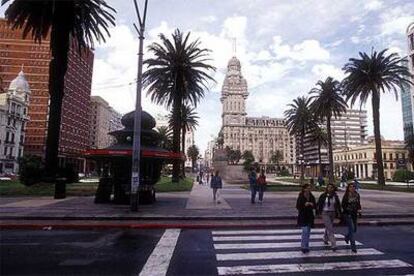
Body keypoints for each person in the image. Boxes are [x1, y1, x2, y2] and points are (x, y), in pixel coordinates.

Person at [317, 183, 341, 251]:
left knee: (328, 226)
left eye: (331, 187)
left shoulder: (335, 196)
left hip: (332, 212)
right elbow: (319, 204)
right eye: (329, 187)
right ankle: (334, 244)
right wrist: (318, 212)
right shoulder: (323, 195)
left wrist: (339, 213)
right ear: (327, 188)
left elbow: (338, 205)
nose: (330, 189)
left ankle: (325, 237)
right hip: (325, 212)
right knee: (330, 228)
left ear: (333, 188)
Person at [296, 184, 317, 253]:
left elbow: (315, 205)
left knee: (308, 232)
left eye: (309, 188)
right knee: (305, 231)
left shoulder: (311, 196)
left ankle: (307, 245)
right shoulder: (301, 196)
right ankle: (303, 246)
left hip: (310, 216)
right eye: (307, 188)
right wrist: (304, 205)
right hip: (303, 215)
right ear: (304, 189)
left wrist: (311, 204)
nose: (308, 190)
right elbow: (298, 206)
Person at [342, 182, 362, 253]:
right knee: (351, 229)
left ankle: (347, 237)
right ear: (348, 188)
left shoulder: (357, 195)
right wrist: (347, 210)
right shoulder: (346, 196)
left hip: (354, 214)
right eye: (350, 187)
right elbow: (343, 205)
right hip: (348, 214)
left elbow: (358, 203)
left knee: (354, 229)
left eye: (353, 187)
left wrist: (359, 210)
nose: (352, 188)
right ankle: (353, 247)